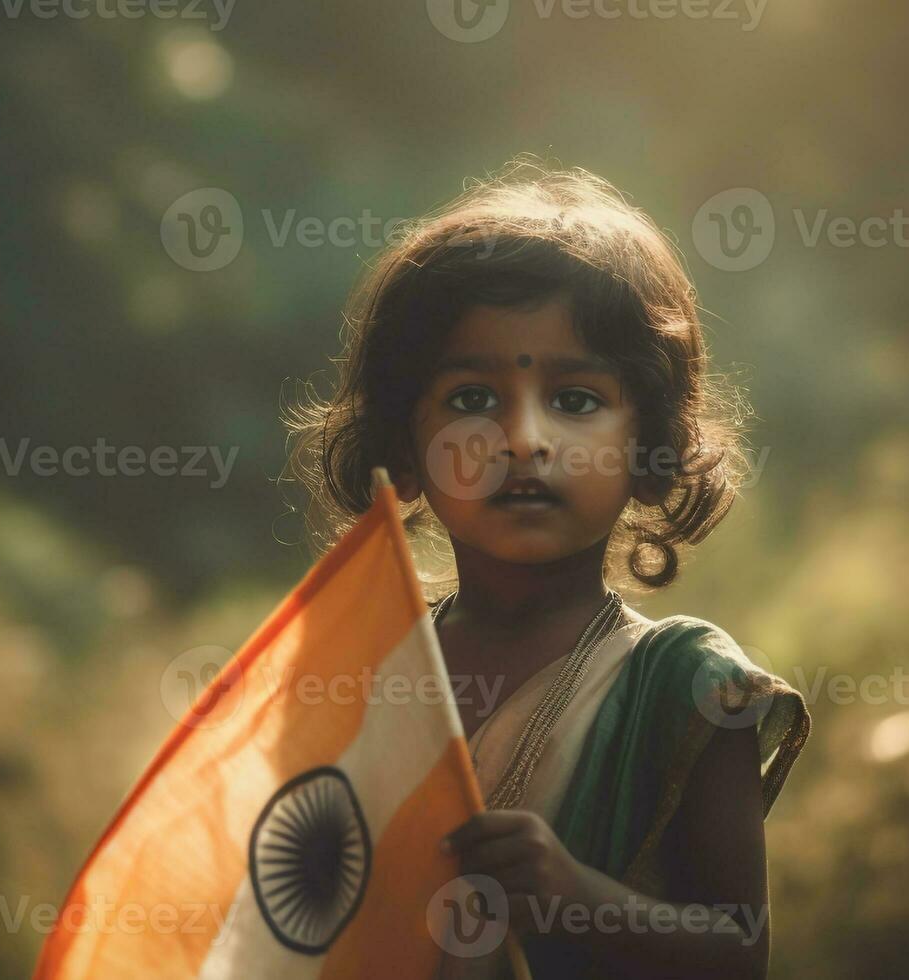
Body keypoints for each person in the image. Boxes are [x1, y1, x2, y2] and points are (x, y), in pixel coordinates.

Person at [284, 159, 810, 979]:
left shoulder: (687, 688)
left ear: (648, 450)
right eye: (469, 398)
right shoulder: (361, 673)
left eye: (574, 400)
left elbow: (740, 952)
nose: (522, 438)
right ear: (404, 448)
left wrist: (573, 893)